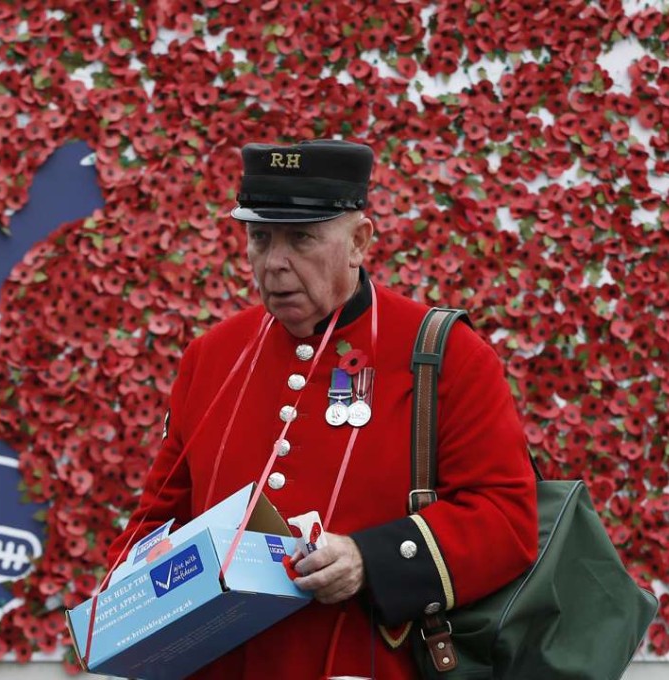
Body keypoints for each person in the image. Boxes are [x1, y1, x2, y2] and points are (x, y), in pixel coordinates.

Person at [107, 139, 538, 678]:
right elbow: (157, 517)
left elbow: (506, 519)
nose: (275, 264)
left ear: (359, 241)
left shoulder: (446, 354)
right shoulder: (211, 356)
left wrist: (369, 559)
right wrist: (119, 607)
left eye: (302, 239)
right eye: (260, 238)